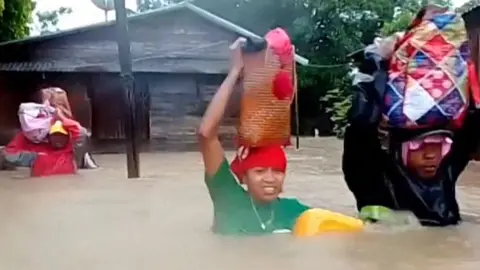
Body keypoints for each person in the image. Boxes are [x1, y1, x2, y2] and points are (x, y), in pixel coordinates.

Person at [342, 50, 480, 227]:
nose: (431, 155)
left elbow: (472, 128)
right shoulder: (376, 179)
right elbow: (361, 131)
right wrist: (373, 72)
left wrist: (464, 75)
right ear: (400, 148)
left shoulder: (446, 173)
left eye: (440, 146)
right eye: (421, 146)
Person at [197, 39, 310, 235]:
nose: (270, 179)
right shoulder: (228, 198)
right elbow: (206, 134)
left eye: (277, 171)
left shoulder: (293, 210)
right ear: (244, 176)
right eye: (259, 171)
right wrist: (235, 72)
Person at [1, 109, 82, 177]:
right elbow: (9, 154)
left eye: (62, 135)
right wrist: (27, 132)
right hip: (41, 188)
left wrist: (62, 118)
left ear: (68, 137)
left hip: (65, 189)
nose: (58, 139)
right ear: (48, 137)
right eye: (54, 135)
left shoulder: (71, 153)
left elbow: (81, 133)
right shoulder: (38, 151)